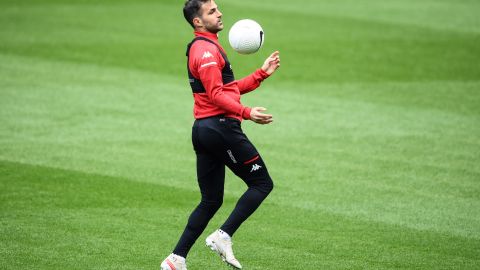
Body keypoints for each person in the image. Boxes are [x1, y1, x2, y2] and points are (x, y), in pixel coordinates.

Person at [160, 0, 280, 269]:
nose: (220, 13)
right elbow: (216, 95)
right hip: (221, 128)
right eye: (212, 11)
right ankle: (223, 236)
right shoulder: (205, 51)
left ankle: (175, 259)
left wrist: (260, 74)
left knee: (211, 199)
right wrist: (247, 112)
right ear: (197, 22)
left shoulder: (205, 47)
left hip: (204, 130)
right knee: (262, 183)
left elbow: (226, 90)